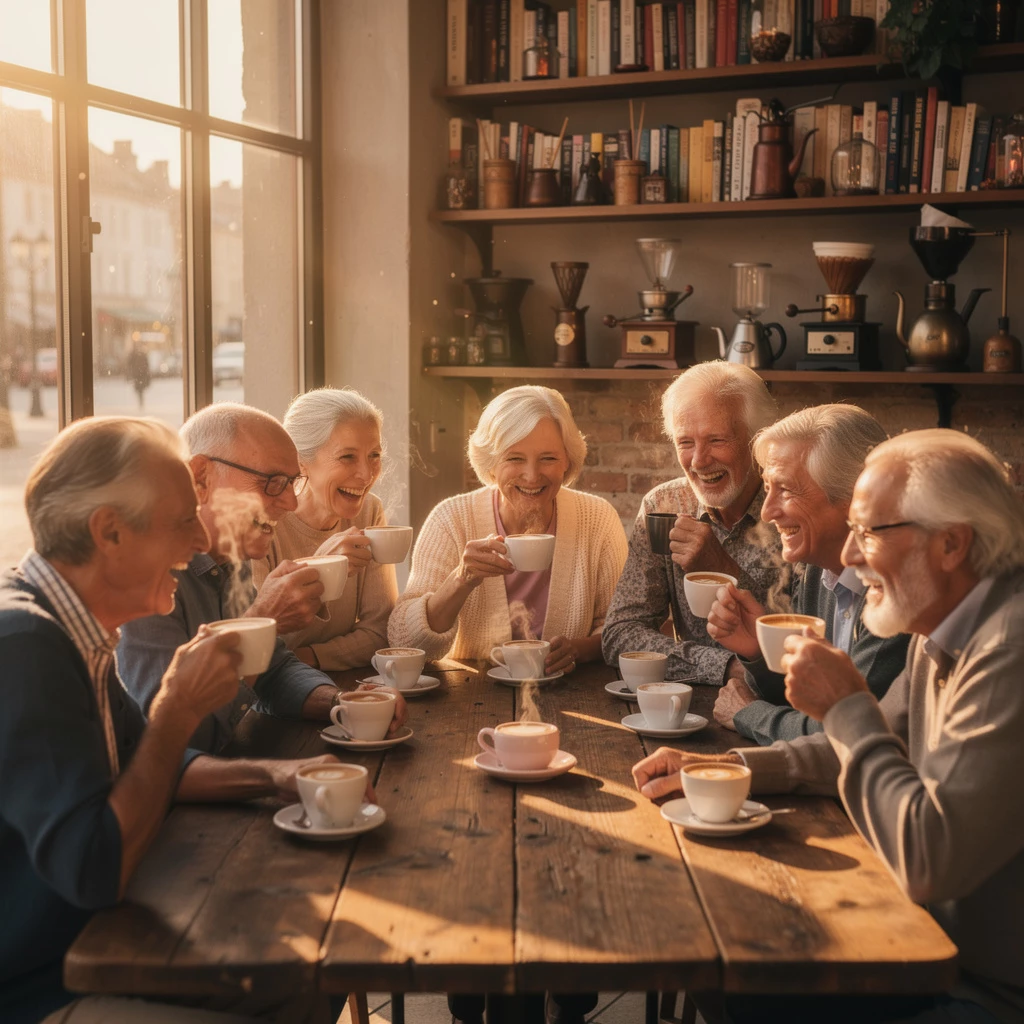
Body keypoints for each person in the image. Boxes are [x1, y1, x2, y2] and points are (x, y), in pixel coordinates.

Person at [632, 429, 1024, 1024]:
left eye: (869, 533)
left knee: (750, 978)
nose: (849, 556)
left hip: (981, 989)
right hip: (932, 949)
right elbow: (871, 742)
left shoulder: (1008, 646)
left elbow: (927, 860)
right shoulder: (944, 621)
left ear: (951, 543)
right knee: (735, 981)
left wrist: (845, 704)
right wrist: (728, 767)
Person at [0, 416, 348, 1024]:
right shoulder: (27, 643)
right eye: (181, 520)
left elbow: (152, 763)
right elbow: (94, 870)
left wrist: (281, 777)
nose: (196, 541)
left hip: (93, 938)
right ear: (109, 532)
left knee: (309, 980)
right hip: (46, 984)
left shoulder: (74, 628)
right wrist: (177, 709)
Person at [118, 403, 405, 753]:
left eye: (291, 482)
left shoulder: (231, 554)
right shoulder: (142, 575)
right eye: (272, 482)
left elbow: (272, 667)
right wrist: (264, 619)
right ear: (201, 477)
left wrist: (341, 701)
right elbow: (178, 742)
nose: (287, 502)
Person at [388, 385, 627, 676]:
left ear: (567, 461)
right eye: (514, 458)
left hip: (573, 689)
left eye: (548, 458)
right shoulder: (450, 519)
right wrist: (462, 578)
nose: (531, 475)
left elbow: (622, 628)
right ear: (491, 463)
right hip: (467, 695)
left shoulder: (597, 519)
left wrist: (580, 649)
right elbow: (404, 642)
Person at [707, 404, 909, 744]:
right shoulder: (816, 568)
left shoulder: (897, 591)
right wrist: (758, 651)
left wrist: (748, 713)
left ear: (852, 495)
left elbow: (843, 735)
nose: (768, 512)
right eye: (767, 488)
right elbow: (804, 703)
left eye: (785, 489)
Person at [601, 361, 783, 686]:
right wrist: (724, 667)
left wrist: (722, 568)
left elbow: (803, 642)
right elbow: (620, 636)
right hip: (685, 704)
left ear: (758, 439)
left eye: (716, 440)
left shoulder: (790, 509)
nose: (698, 461)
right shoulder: (664, 507)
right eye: (685, 442)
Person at [251, 388, 397, 670]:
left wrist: (310, 659)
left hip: (338, 685)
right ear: (300, 462)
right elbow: (260, 642)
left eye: (374, 455)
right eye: (347, 457)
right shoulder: (262, 521)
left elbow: (380, 632)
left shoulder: (370, 512)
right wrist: (319, 568)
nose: (366, 475)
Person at [125, 343, 151, 411]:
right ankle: (141, 402)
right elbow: (147, 366)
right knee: (140, 390)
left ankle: (141, 402)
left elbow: (129, 364)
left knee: (140, 390)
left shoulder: (137, 355)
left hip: (139, 375)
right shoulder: (139, 355)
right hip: (139, 375)